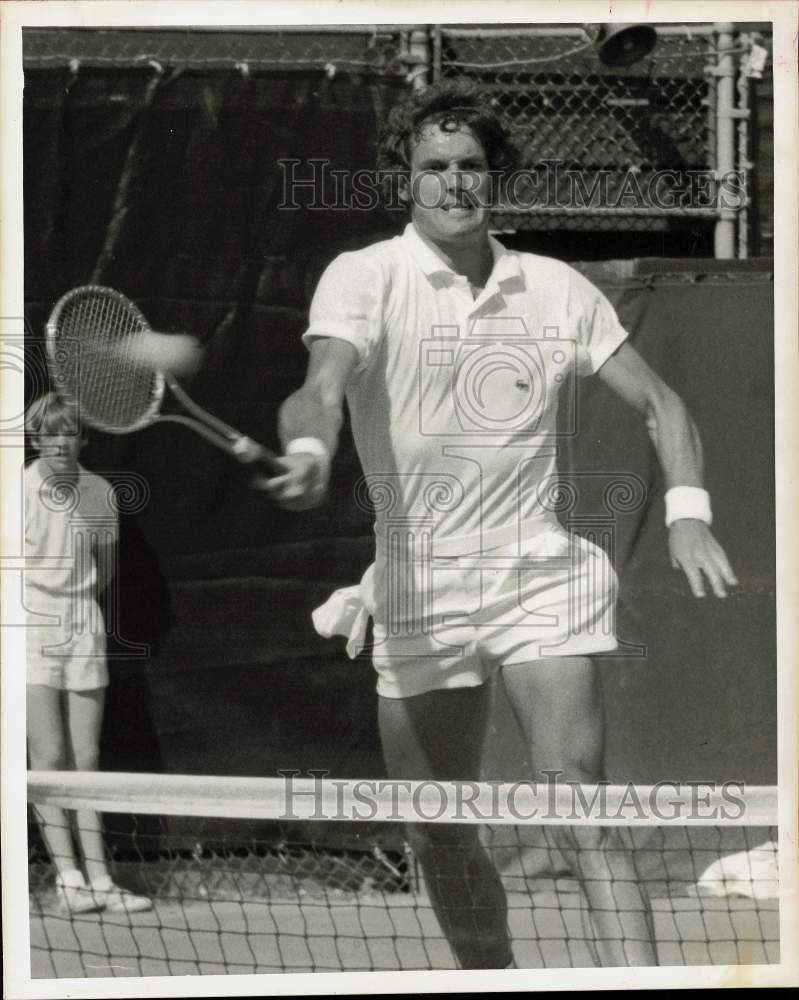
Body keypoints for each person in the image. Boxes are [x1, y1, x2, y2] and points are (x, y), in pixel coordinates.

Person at [260, 83, 738, 968]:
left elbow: (663, 403)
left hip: (537, 578)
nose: (453, 185)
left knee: (578, 804)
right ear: (406, 181)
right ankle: (495, 979)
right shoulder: (365, 276)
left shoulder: (554, 289)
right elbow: (322, 388)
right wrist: (311, 445)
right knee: (438, 829)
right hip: (417, 590)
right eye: (433, 168)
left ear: (495, 177)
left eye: (470, 166)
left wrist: (685, 512)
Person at [25, 392, 152, 915]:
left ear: (83, 437)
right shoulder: (14, 490)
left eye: (69, 432)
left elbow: (108, 570)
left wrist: (78, 610)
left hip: (84, 622)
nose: (59, 442)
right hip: (28, 622)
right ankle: (69, 879)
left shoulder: (102, 493)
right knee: (50, 758)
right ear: (34, 438)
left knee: (88, 759)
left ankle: (100, 879)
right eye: (49, 433)